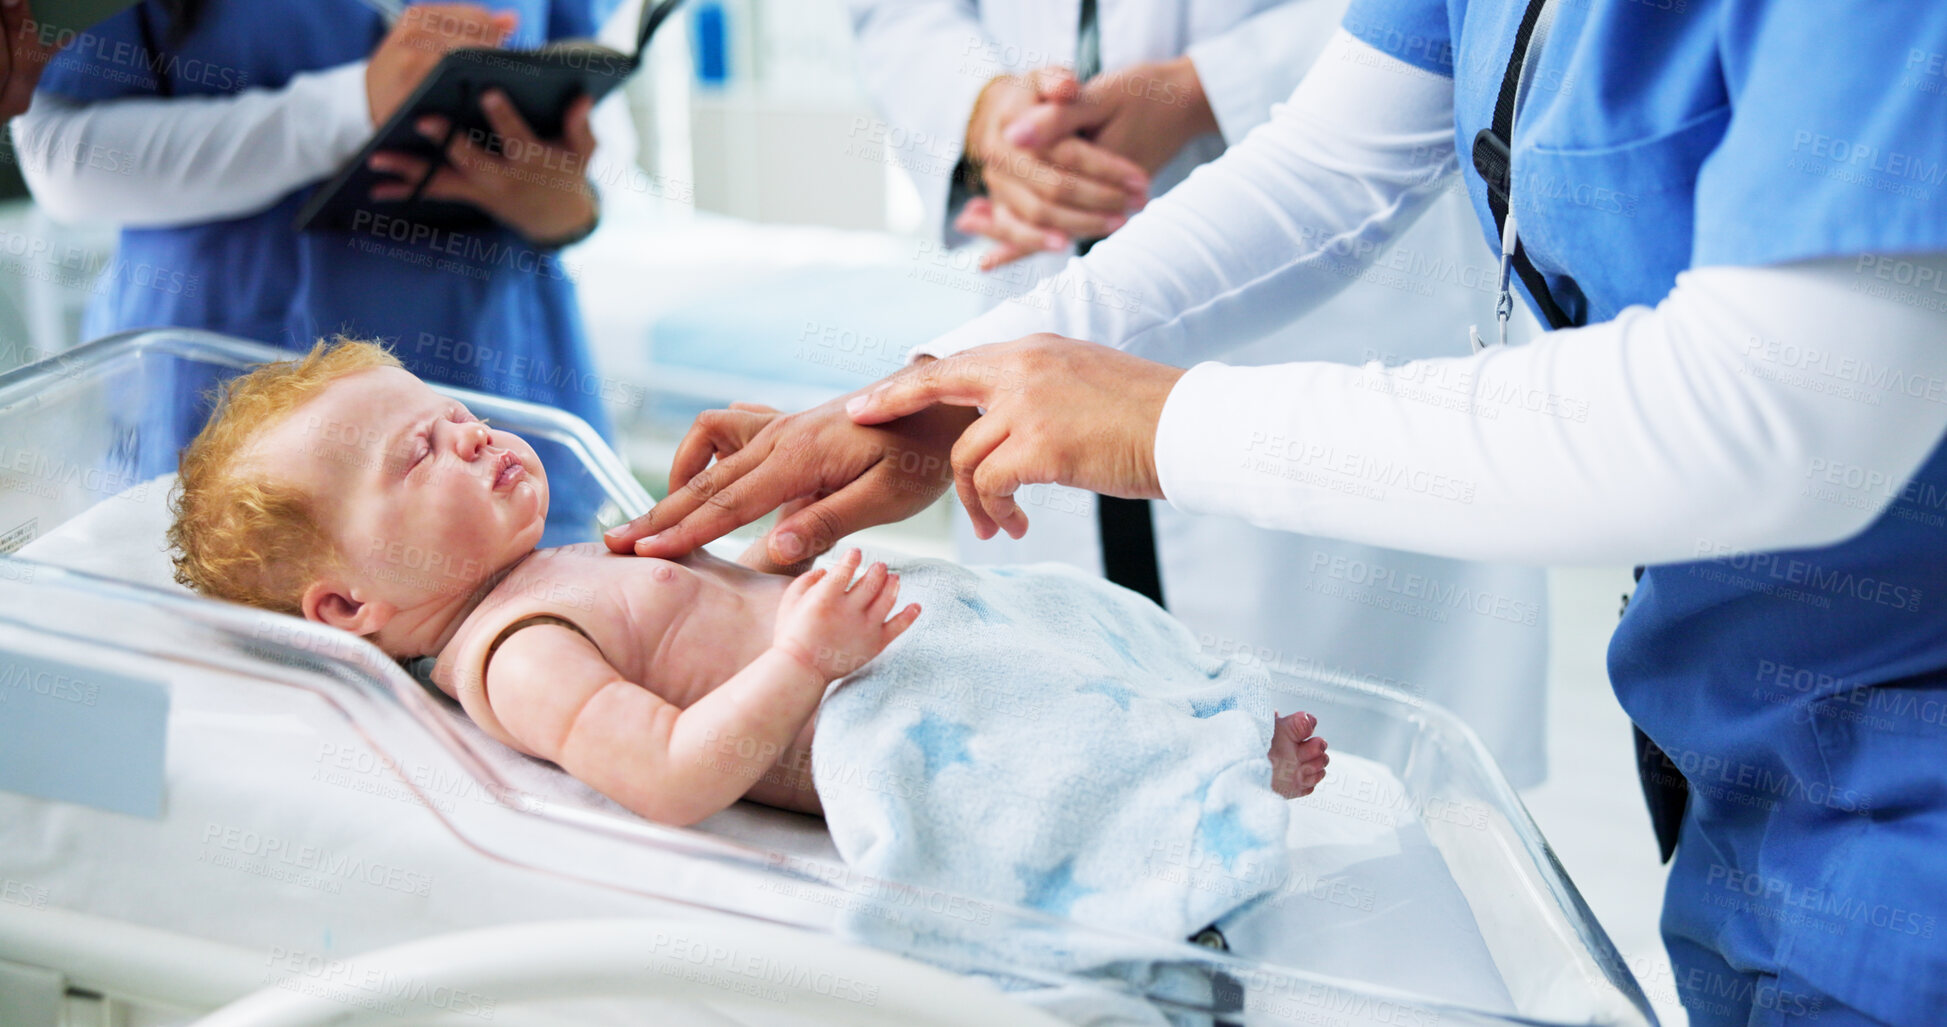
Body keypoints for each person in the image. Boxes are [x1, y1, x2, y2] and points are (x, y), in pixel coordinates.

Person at [614, 2, 1947, 1022]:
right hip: (1758, 720)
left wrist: (1155, 418)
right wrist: (950, 385)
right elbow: (1335, 162)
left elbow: (1791, 410)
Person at [167, 339, 1333, 829]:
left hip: (880, 648)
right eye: (418, 454)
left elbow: (701, 610)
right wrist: (798, 661)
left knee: (1058, 644)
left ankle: (1200, 722)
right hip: (868, 716)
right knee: (1037, 746)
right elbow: (673, 774)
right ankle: (1206, 786)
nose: (469, 438)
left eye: (453, 414)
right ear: (346, 608)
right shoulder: (515, 652)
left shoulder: (547, 563)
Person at [848, 0, 1550, 786]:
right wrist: (985, 115)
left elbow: (1411, 70)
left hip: (1330, 253)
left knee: (1346, 787)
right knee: (1069, 764)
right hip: (1051, 233)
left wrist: (1209, 87)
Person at [11, 1, 617, 484]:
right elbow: (62, 157)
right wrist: (348, 107)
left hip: (496, 358)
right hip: (231, 369)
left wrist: (566, 206)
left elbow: (598, 117)